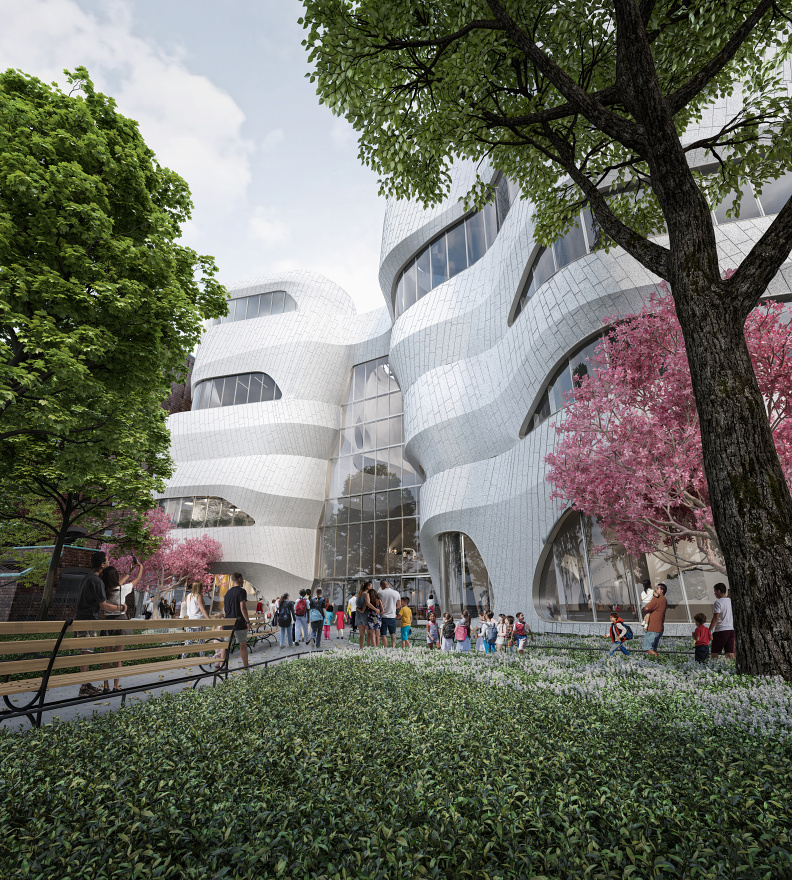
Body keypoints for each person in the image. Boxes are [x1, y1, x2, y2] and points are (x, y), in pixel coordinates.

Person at [74, 551, 127, 697]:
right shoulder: (97, 581)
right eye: (107, 561)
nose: (109, 563)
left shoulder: (87, 578)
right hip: (88, 620)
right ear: (102, 564)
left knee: (86, 652)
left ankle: (85, 685)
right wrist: (121, 608)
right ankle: (84, 688)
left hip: (80, 617)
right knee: (86, 653)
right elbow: (104, 606)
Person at [100, 562, 143, 691]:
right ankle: (116, 686)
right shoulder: (122, 590)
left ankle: (106, 686)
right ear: (115, 577)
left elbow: (118, 584)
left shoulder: (104, 591)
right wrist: (140, 567)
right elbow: (137, 580)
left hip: (108, 622)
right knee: (118, 657)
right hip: (121, 622)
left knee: (107, 656)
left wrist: (128, 573)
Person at [220, 572, 251, 668]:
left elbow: (226, 609)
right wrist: (247, 621)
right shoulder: (242, 591)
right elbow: (243, 607)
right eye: (242, 579)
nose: (243, 581)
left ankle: (222, 666)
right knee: (243, 644)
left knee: (226, 645)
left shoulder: (227, 593)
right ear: (239, 579)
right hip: (239, 621)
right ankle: (245, 666)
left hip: (228, 622)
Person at [181, 580, 211, 660]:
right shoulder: (199, 596)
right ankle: (201, 658)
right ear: (199, 587)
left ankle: (183, 657)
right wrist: (209, 619)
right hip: (199, 621)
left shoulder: (188, 596)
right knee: (200, 641)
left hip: (190, 621)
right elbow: (202, 609)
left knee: (188, 641)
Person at [709, 582, 735, 660]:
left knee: (714, 652)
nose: (715, 593)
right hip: (731, 630)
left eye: (715, 591)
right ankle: (734, 667)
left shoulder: (718, 602)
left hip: (721, 630)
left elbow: (715, 618)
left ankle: (713, 667)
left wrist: (709, 630)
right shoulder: (730, 601)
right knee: (730, 652)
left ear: (719, 591)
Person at [642, 582, 668, 657]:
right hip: (659, 629)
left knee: (648, 648)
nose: (655, 590)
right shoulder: (664, 600)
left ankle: (659, 661)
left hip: (653, 628)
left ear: (661, 591)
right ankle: (656, 663)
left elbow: (647, 608)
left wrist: (644, 609)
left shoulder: (657, 599)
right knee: (653, 649)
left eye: (657, 588)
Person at [378, 579, 401, 648]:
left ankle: (385, 647)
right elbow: (399, 605)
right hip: (392, 616)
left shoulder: (379, 593)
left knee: (383, 634)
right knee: (393, 633)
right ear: (388, 584)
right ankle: (393, 647)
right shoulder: (396, 593)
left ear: (381, 586)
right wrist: (393, 608)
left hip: (383, 616)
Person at [365, 583, 382, 647]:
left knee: (372, 633)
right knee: (377, 634)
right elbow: (382, 610)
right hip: (378, 617)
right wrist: (378, 611)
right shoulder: (378, 601)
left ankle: (374, 646)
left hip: (370, 617)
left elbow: (365, 607)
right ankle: (377, 646)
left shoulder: (369, 602)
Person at [355, 582, 370, 650]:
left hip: (358, 616)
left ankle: (361, 648)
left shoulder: (358, 595)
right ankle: (368, 647)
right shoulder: (366, 594)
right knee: (369, 633)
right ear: (368, 587)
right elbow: (367, 604)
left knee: (361, 634)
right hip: (365, 615)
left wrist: (357, 609)